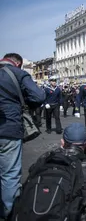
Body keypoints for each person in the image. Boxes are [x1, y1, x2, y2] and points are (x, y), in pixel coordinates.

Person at [12, 123, 86, 221]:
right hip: (74, 217)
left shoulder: (46, 158)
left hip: (34, 213)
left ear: (62, 142)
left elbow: (32, 171)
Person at [0, 53, 45, 220]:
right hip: (9, 129)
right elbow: (38, 96)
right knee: (9, 174)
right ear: (18, 64)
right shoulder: (18, 73)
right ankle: (9, 214)